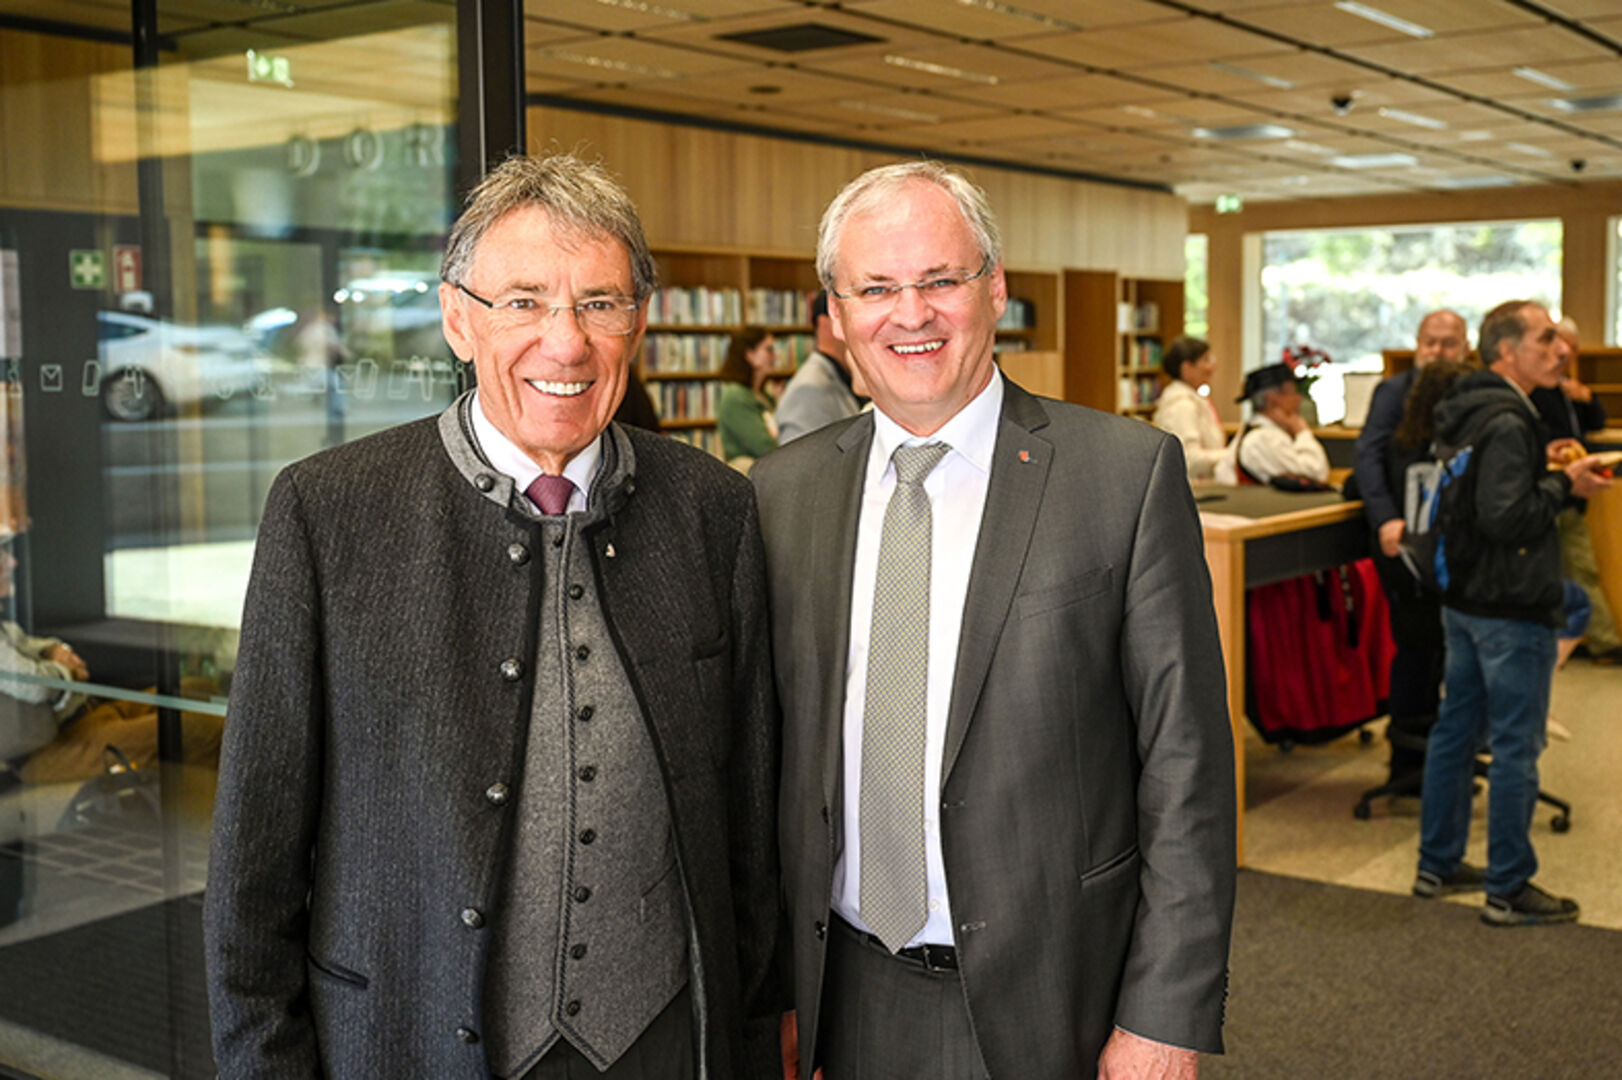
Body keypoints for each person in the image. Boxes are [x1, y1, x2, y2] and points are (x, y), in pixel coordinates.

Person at [204, 153, 783, 1078]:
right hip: (409, 1043)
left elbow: (749, 827)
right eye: (524, 302)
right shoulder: (328, 513)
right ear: (457, 319)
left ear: (638, 321)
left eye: (599, 303)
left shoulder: (714, 509)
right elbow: (254, 860)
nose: (566, 342)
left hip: (663, 1040)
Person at [754, 161, 1235, 1080]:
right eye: (876, 289)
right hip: (843, 993)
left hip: (1055, 995)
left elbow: (1188, 766)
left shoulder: (1123, 477)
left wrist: (1165, 1017)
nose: (911, 313)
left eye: (941, 279)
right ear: (838, 314)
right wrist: (773, 994)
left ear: (995, 288)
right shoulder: (782, 492)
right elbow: (768, 763)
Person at [1415, 300, 1612, 926]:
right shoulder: (1507, 420)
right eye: (1545, 339)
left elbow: (1485, 498)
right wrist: (1565, 485)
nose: (1561, 350)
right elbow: (1505, 517)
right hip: (1510, 604)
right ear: (1506, 351)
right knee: (1515, 746)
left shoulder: (1473, 406)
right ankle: (1508, 886)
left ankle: (1437, 863)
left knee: (1455, 732)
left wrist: (1544, 469)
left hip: (1465, 597)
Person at [1352, 311, 1471, 786]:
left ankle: (1442, 761)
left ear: (1466, 347)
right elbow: (1368, 456)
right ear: (1417, 344)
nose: (1437, 352)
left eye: (1448, 343)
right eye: (1429, 342)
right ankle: (1409, 764)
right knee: (1417, 646)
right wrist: (1385, 518)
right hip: (1402, 539)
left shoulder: (1470, 390)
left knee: (1447, 650)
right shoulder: (1394, 392)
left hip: (1457, 543)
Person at [1529, 317, 1618, 661]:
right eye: (1560, 349)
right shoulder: (1534, 390)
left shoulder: (1565, 387)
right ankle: (1587, 641)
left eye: (1572, 351)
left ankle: (1602, 642)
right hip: (1547, 495)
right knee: (1556, 573)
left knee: (1582, 571)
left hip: (1571, 497)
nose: (1565, 356)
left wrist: (1587, 398)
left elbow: (1596, 422)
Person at [1217, 362, 1329, 484]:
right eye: (1292, 392)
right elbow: (1316, 473)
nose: (1298, 399)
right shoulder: (1263, 439)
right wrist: (1302, 432)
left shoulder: (1263, 433)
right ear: (1271, 398)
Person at [775, 291, 860, 444]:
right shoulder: (808, 389)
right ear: (828, 323)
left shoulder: (838, 377)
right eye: (853, 317)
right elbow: (802, 457)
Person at [1152, 335, 1229, 481]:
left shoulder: (1195, 400)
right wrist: (1231, 455)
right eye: (1206, 360)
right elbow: (1189, 459)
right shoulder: (1182, 406)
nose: (1212, 366)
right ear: (1186, 368)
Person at [716, 327, 780, 466]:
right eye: (769, 349)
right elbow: (765, 447)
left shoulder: (764, 395)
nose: (776, 355)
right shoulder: (736, 397)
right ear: (750, 355)